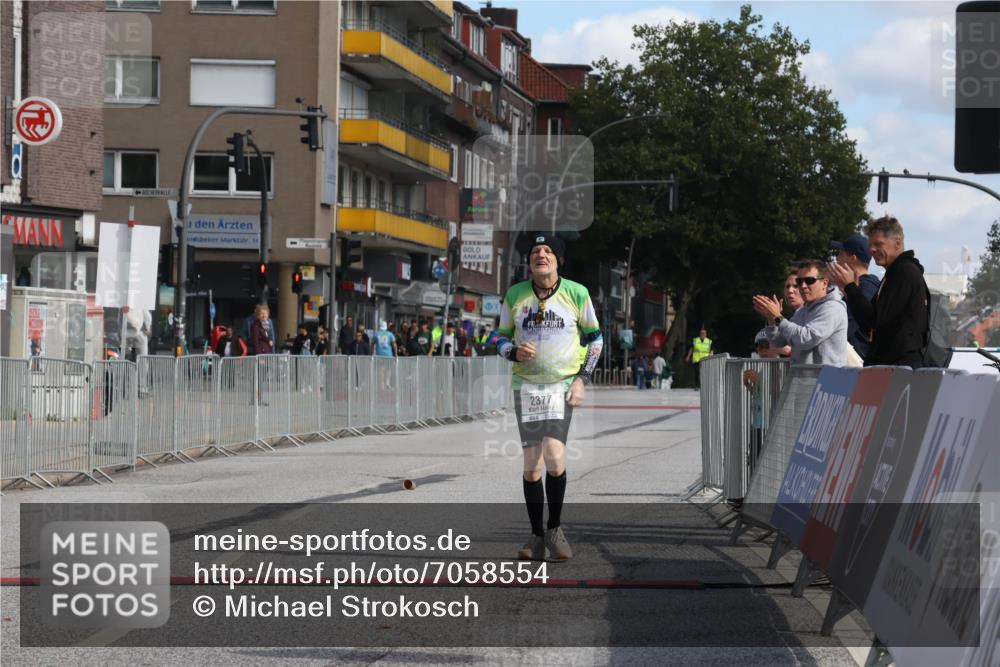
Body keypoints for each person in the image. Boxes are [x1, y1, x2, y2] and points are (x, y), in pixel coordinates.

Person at [492, 234, 603, 562]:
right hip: (526, 386)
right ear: (529, 261)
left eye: (548, 251)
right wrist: (513, 351)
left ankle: (554, 528)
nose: (541, 255)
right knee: (531, 466)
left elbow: (595, 340)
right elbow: (499, 337)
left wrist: (582, 380)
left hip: (560, 384)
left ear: (559, 260)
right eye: (535, 252)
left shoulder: (576, 293)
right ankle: (537, 535)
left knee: (555, 457)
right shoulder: (515, 294)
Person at [827, 216, 931, 367]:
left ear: (897, 243)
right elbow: (872, 320)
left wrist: (850, 287)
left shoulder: (904, 272)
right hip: (891, 366)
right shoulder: (894, 274)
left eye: (878, 244)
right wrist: (850, 289)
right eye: (870, 245)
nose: (872, 250)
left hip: (898, 369)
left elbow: (875, 320)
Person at [753, 259, 848, 366]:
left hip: (825, 381)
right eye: (799, 281)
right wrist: (771, 319)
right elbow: (778, 342)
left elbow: (805, 339)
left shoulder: (833, 308)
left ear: (824, 283)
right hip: (801, 378)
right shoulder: (802, 311)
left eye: (809, 280)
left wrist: (778, 317)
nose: (803, 286)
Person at [830, 233, 881, 361]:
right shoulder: (865, 286)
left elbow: (843, 328)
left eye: (841, 253)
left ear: (852, 258)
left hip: (860, 365)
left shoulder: (866, 288)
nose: (836, 258)